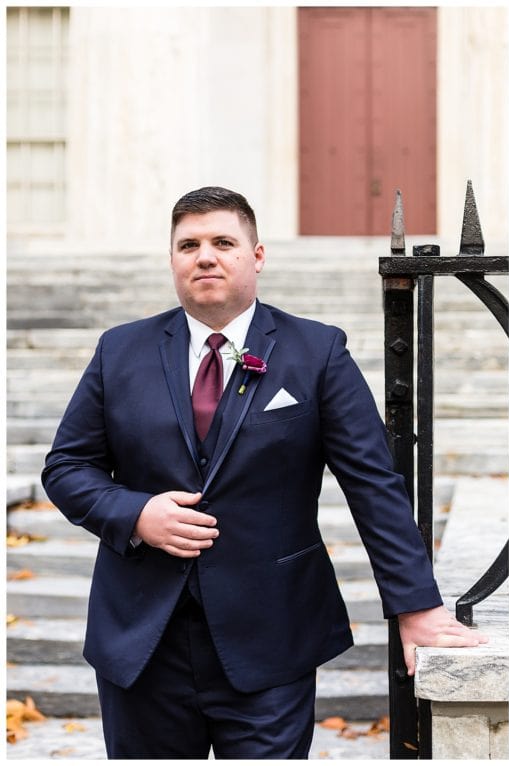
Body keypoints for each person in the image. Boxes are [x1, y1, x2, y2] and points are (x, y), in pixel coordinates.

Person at [42, 186, 485, 758]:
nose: (205, 256)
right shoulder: (119, 350)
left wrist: (416, 606)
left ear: (257, 255)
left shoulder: (317, 351)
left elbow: (374, 484)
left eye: (223, 242)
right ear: (173, 259)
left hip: (271, 637)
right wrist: (136, 514)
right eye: (189, 245)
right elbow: (68, 467)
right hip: (141, 642)